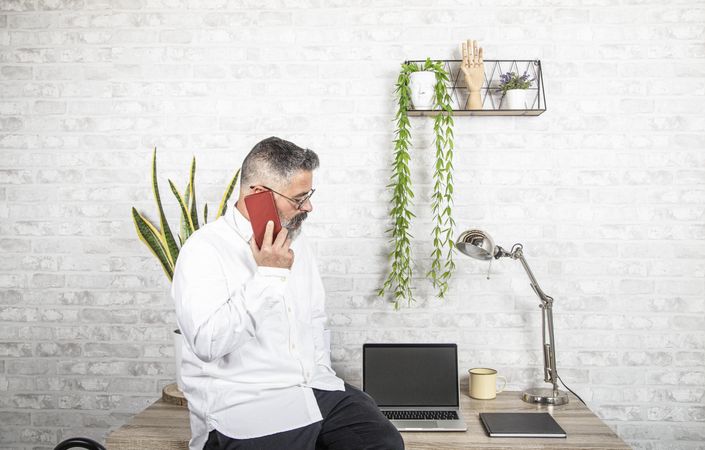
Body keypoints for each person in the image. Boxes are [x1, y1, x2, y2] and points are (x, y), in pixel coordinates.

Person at [171, 137, 404, 450]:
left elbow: (315, 321)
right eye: (299, 198)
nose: (308, 206)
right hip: (245, 403)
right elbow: (207, 342)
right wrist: (269, 274)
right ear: (258, 195)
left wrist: (321, 371)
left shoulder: (296, 242)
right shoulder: (204, 249)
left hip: (315, 387)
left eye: (308, 195)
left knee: (385, 444)